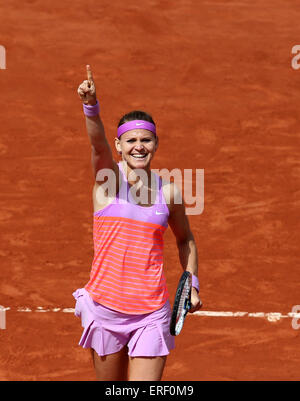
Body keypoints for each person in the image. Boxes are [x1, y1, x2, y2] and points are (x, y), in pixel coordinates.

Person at [73, 65, 202, 381]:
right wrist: (91, 106)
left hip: (151, 314)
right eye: (130, 141)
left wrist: (192, 283)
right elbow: (97, 144)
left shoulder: (168, 192)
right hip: (105, 311)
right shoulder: (107, 181)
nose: (139, 146)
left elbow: (185, 240)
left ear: (156, 145)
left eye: (146, 140)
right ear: (118, 146)